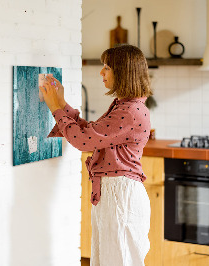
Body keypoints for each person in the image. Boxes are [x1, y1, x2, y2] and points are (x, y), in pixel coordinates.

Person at [40, 44, 152, 266]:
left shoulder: (129, 111)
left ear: (123, 72)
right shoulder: (125, 106)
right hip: (115, 195)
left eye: (107, 67)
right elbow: (91, 133)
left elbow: (83, 141)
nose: (102, 73)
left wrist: (55, 108)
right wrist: (61, 104)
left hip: (120, 197)